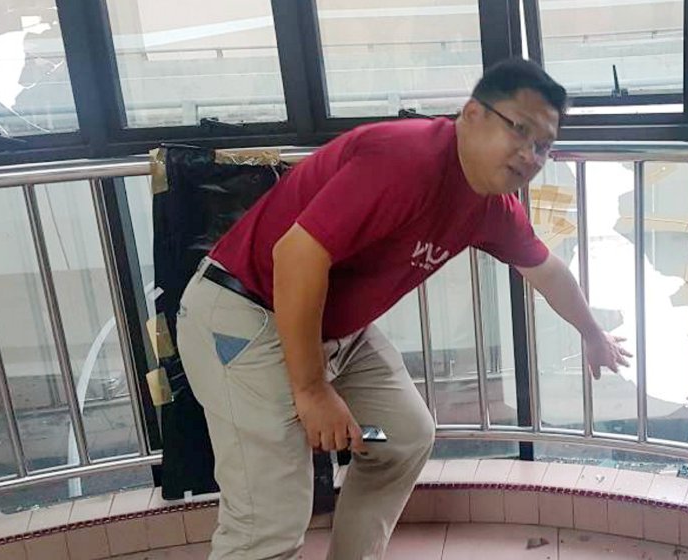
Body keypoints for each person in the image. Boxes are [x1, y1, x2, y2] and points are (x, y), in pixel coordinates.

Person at [176, 58, 632, 560]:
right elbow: (296, 255)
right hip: (244, 321)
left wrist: (593, 334)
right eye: (519, 130)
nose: (530, 154)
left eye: (543, 145)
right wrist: (311, 390)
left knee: (399, 437)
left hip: (333, 331)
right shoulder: (406, 159)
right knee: (270, 519)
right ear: (473, 114)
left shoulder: (490, 206)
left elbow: (547, 271)